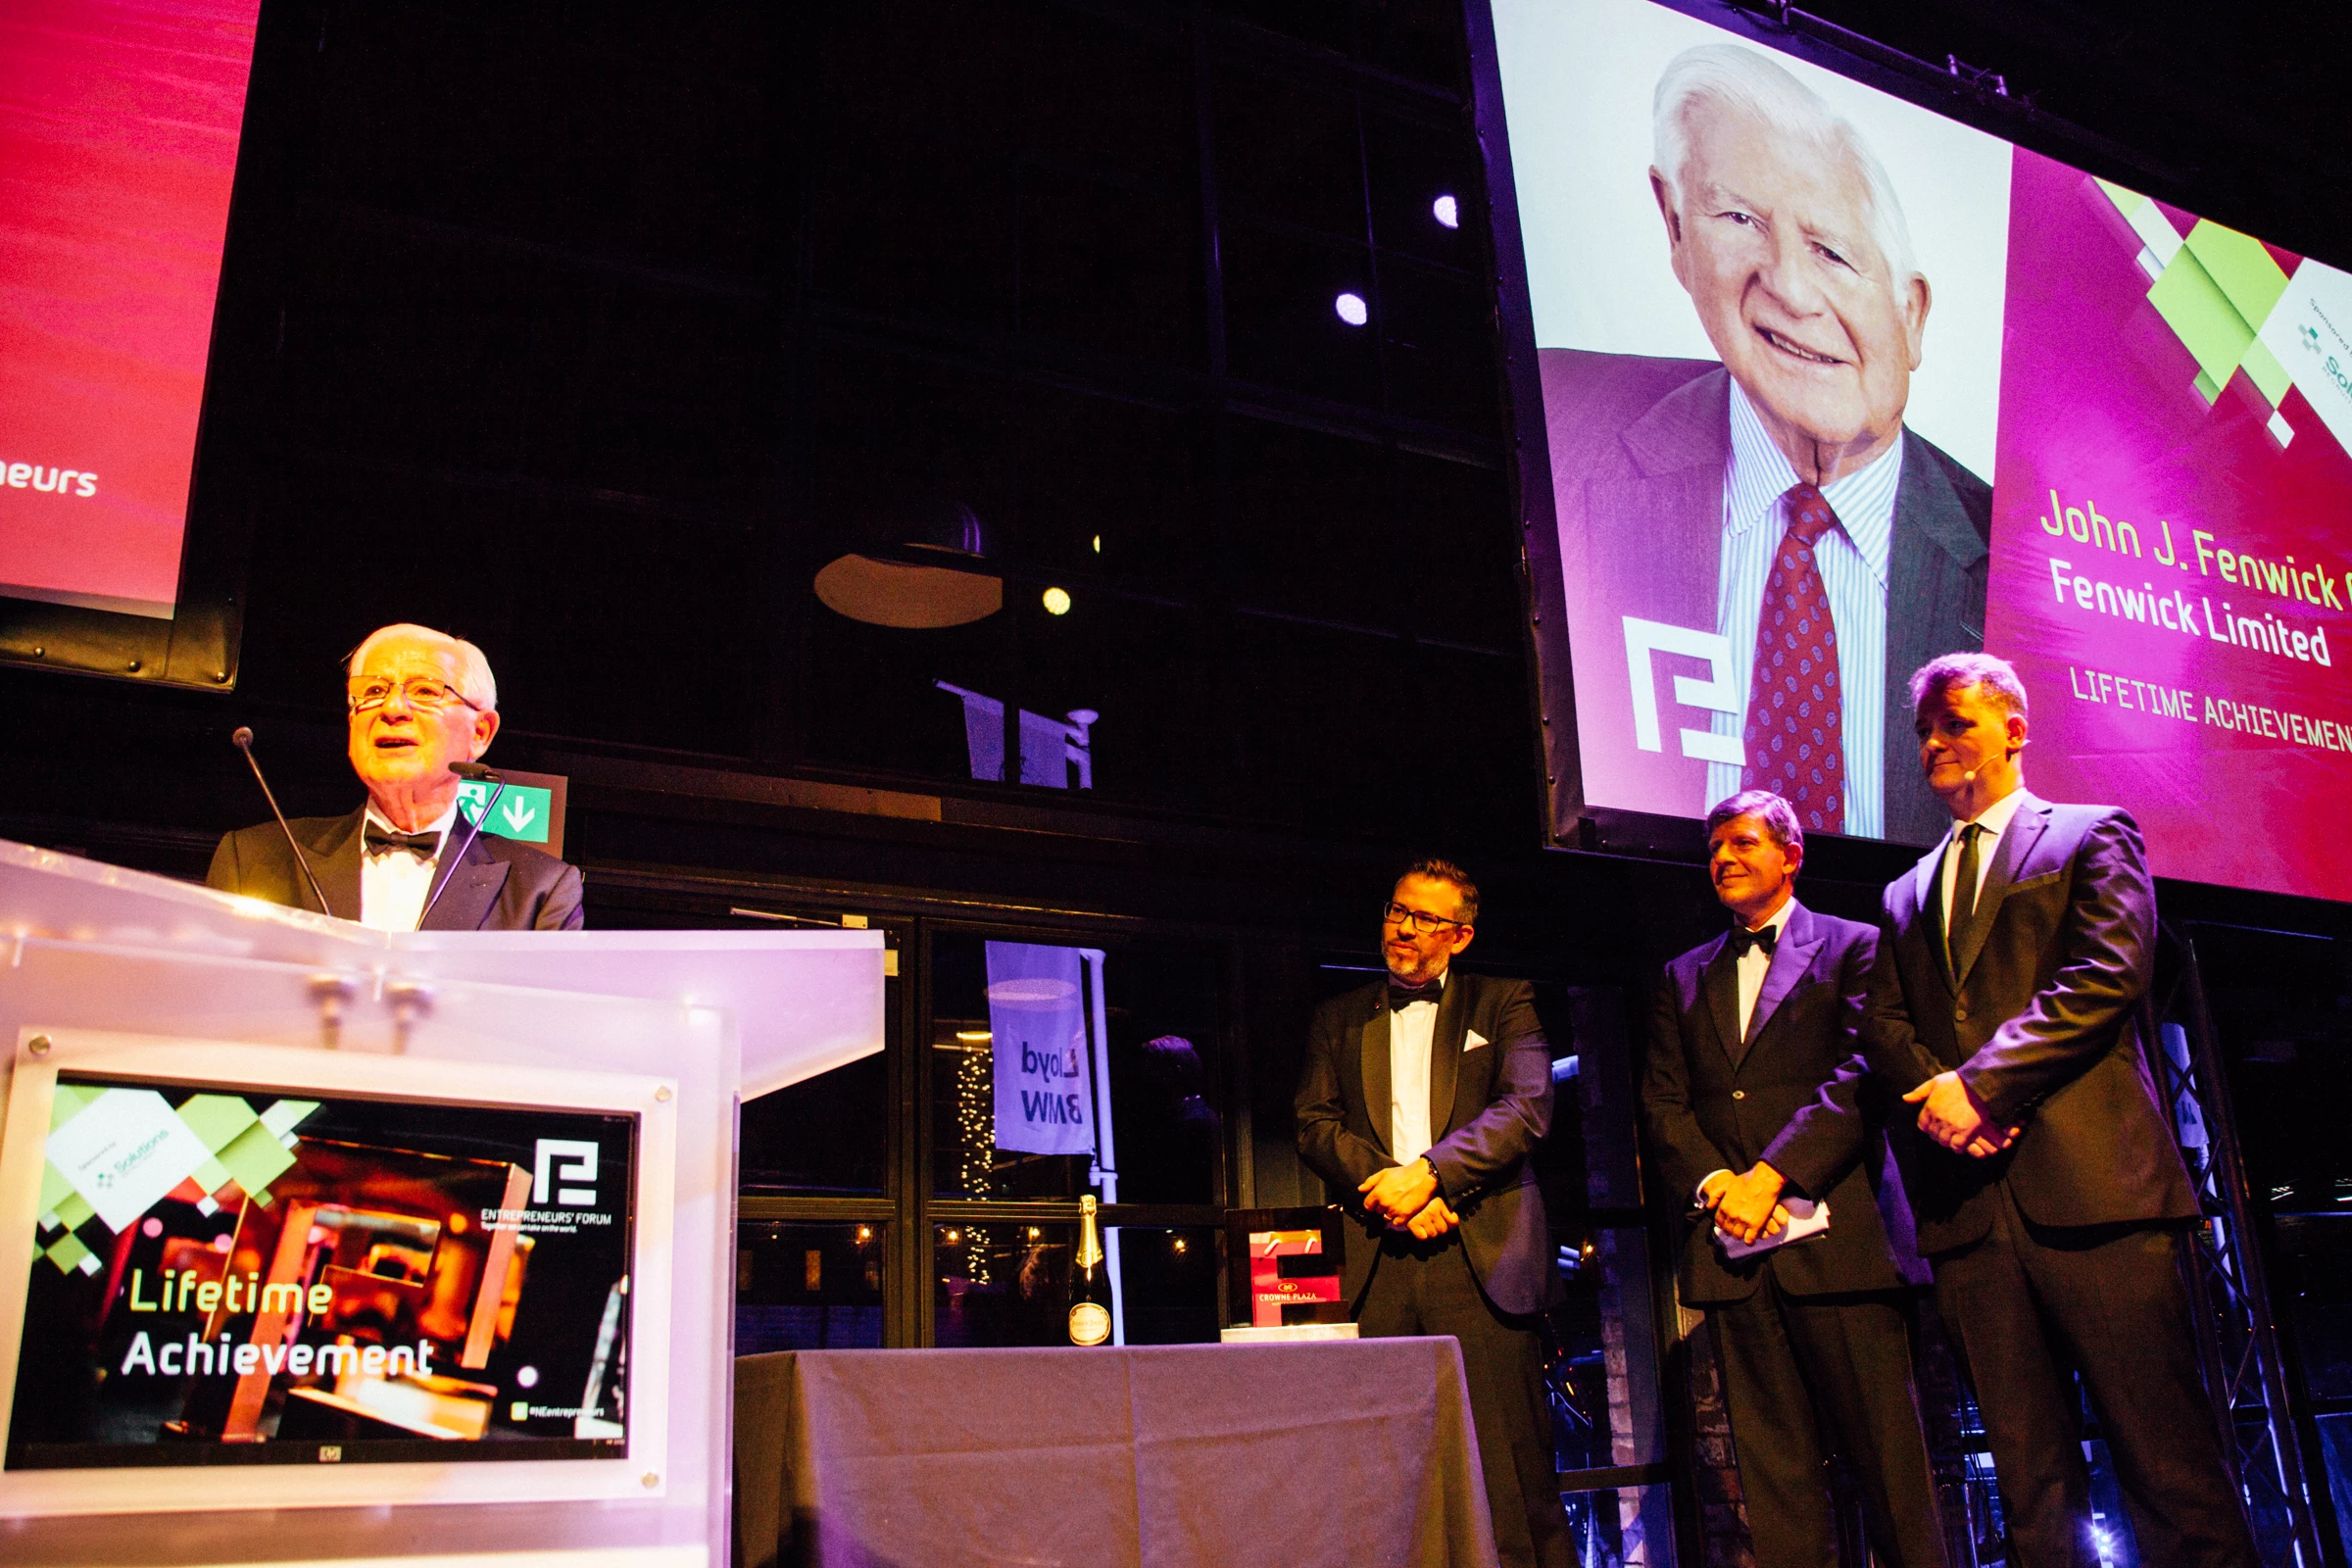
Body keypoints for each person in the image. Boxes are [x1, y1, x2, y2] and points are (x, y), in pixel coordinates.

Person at [1541, 41, 1990, 846]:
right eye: (1739, 219)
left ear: (1913, 314)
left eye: (1832, 252)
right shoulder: (1560, 426)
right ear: (1675, 226)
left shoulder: (2011, 560)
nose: (1786, 285)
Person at [1861, 652, 2254, 1568]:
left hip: (2096, 1197)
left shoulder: (2089, 833)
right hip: (1970, 1215)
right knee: (2029, 1484)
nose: (1934, 743)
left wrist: (1984, 1086)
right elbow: (1883, 1023)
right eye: (1923, 731)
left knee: (2167, 1463)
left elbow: (2109, 974)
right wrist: (1945, 1099)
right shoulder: (1901, 893)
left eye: (1953, 721)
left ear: (2014, 729)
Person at [1643, 790, 1944, 1568]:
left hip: (1842, 1249)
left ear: (1791, 855)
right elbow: (1664, 1105)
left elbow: (1859, 1075)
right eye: (1714, 848)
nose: (1724, 859)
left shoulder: (1857, 947)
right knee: (1774, 1486)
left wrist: (1772, 1174)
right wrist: (1719, 1184)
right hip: (1737, 1253)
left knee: (1892, 1476)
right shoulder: (1681, 976)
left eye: (1743, 843)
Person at [1295, 858, 1568, 1568]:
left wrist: (1431, 1177)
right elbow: (1315, 1123)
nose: (1403, 928)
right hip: (1379, 1259)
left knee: (1509, 1471)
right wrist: (1392, 1188)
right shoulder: (1338, 1015)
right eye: (1397, 910)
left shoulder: (1504, 1001)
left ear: (1461, 936)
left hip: (1483, 1256)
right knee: (1382, 1467)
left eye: (1424, 918)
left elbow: (1526, 1107)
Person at [208, 622, 584, 931]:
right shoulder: (253, 859)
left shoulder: (540, 890)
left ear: (480, 732)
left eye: (425, 691)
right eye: (372, 691)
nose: (392, 708)